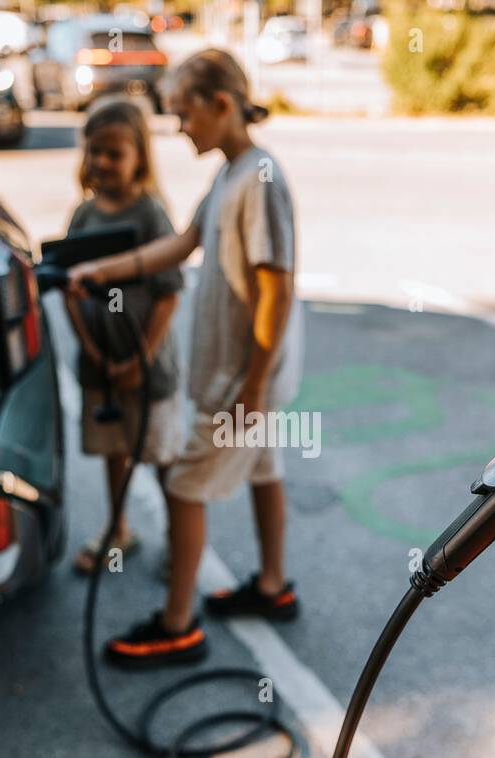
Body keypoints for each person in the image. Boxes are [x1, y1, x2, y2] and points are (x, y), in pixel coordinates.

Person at [67, 49, 305, 669]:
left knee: (182, 483)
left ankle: (177, 627)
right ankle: (274, 586)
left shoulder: (261, 179)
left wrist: (252, 384)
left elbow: (275, 286)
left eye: (184, 114)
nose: (179, 128)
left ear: (220, 105)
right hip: (252, 378)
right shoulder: (229, 174)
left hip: (244, 379)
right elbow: (178, 245)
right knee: (263, 470)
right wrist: (100, 269)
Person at [62, 98, 185, 575]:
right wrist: (95, 352)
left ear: (140, 157)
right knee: (113, 450)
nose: (102, 163)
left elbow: (168, 295)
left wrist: (139, 361)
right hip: (101, 369)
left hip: (149, 373)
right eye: (94, 152)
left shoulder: (152, 217)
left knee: (160, 455)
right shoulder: (83, 216)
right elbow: (71, 293)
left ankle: (180, 537)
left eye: (115, 153)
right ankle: (118, 528)